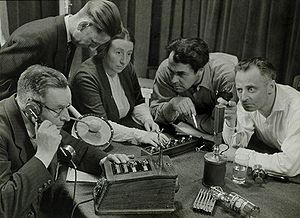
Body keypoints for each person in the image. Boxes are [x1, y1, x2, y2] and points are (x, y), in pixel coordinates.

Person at [0, 65, 130, 217]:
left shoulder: (41, 119)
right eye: (59, 109)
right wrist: (43, 156)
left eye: (67, 107)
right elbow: (4, 207)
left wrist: (103, 160)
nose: (66, 117)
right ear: (32, 106)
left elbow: (75, 146)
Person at [0, 0, 122, 101]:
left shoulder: (70, 37)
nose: (92, 48)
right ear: (83, 25)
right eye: (93, 42)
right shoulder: (34, 38)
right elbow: (2, 82)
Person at [71, 28, 166, 147]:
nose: (124, 61)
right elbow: (102, 126)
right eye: (118, 53)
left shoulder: (127, 68)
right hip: (96, 140)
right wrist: (141, 135)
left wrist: (147, 119)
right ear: (104, 50)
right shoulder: (86, 78)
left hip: (122, 131)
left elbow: (138, 102)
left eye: (129, 54)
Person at [220, 57, 300, 177]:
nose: (243, 97)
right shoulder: (246, 103)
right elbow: (237, 145)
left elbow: (289, 166)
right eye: (239, 90)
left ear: (270, 87)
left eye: (251, 89)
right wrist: (230, 124)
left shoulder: (296, 108)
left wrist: (237, 155)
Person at [150, 38, 238, 134]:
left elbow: (218, 127)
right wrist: (171, 105)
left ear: (200, 70)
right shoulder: (166, 68)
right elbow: (154, 112)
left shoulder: (227, 76)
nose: (173, 80)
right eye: (171, 72)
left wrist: (182, 116)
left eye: (181, 74)